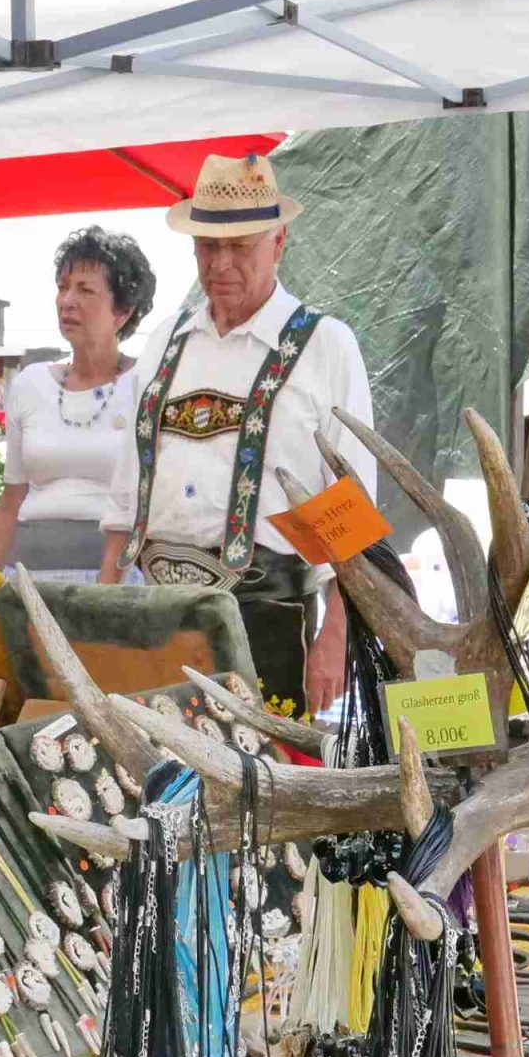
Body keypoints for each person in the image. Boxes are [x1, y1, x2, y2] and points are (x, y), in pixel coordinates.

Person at [104, 153, 366, 714]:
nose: (220, 264)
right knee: (156, 763)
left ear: (279, 242)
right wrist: (101, 611)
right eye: (207, 246)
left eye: (240, 246)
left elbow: (350, 508)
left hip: (268, 619)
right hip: (159, 617)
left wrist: (338, 634)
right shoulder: (167, 340)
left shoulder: (325, 345)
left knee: (264, 765)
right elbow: (127, 492)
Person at [0, 226, 156, 578]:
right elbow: (11, 501)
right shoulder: (30, 383)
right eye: (63, 287)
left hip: (113, 577)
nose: (67, 301)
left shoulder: (148, 384)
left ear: (122, 311)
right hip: (27, 577)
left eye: (85, 290)